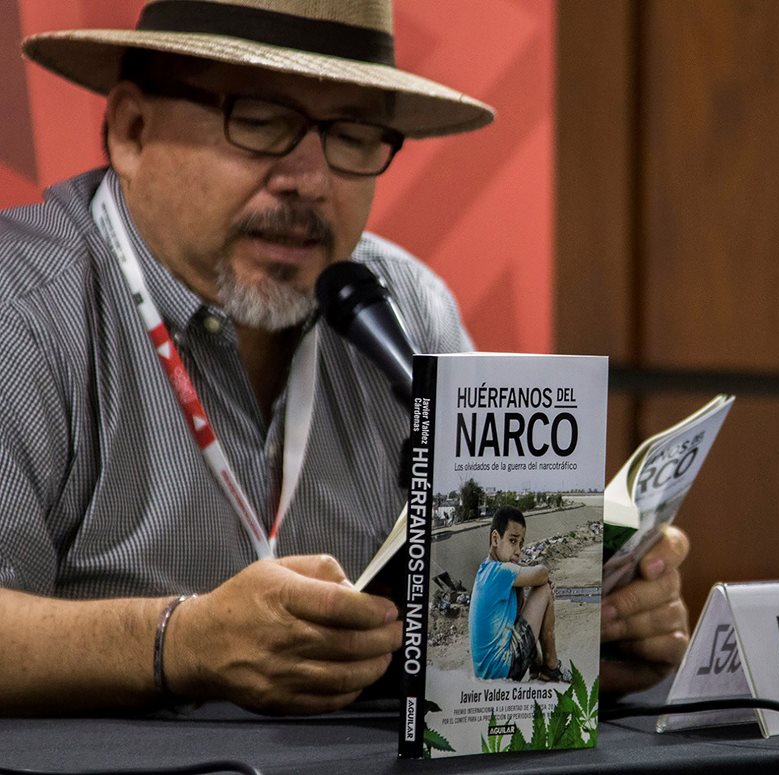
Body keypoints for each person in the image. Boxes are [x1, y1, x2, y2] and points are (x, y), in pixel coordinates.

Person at [0, 0, 689, 716]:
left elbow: (472, 636)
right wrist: (181, 643)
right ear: (132, 130)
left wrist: (593, 631)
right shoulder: (22, 310)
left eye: (353, 136)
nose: (309, 179)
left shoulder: (408, 310)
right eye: (260, 121)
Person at [469, 507, 565, 683]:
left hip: (493, 672)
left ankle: (538, 668)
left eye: (521, 544)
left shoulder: (488, 572)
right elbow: (542, 573)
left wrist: (523, 585)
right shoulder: (497, 571)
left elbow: (520, 625)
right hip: (503, 669)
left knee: (537, 594)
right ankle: (551, 668)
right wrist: (540, 581)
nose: (518, 551)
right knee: (544, 589)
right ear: (495, 539)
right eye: (513, 541)